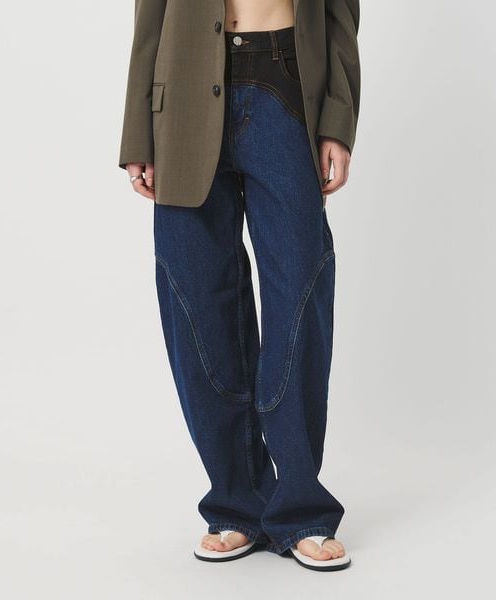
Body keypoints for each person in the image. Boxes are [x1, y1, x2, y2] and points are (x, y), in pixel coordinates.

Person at [118, 0, 360, 572]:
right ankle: (236, 499)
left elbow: (341, 17)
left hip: (287, 85)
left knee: (299, 294)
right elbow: (149, 18)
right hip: (180, 98)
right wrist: (137, 136)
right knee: (197, 302)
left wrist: (337, 120)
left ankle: (300, 507)